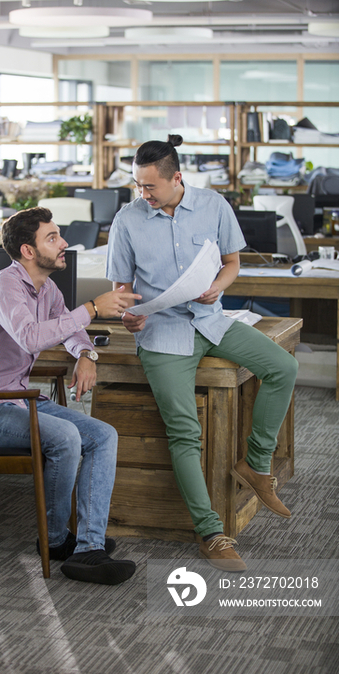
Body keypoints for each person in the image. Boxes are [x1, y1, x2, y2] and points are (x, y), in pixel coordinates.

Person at [106, 135, 298, 572]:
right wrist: (128, 315)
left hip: (211, 320)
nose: (143, 194)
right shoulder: (127, 219)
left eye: (150, 186)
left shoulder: (214, 206)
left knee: (283, 367)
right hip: (161, 332)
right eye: (138, 186)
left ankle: (256, 464)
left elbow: (231, 262)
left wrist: (219, 285)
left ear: (177, 178)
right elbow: (122, 289)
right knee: (184, 432)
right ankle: (210, 532)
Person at [0, 207, 141, 585]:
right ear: (27, 250)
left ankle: (87, 547)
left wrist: (86, 355)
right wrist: (91, 308)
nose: (64, 242)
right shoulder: (4, 286)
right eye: (52, 237)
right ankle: (53, 541)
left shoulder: (46, 287)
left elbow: (69, 330)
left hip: (17, 399)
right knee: (66, 438)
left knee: (103, 435)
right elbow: (31, 337)